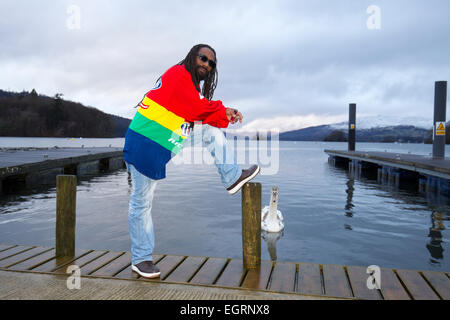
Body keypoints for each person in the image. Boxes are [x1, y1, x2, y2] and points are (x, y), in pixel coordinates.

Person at [123, 44, 260, 278]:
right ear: (192, 56)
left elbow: (199, 113)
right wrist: (223, 110)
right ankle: (141, 259)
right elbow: (196, 108)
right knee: (141, 203)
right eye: (203, 58)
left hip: (167, 137)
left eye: (211, 63)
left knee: (210, 131)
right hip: (145, 143)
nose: (206, 64)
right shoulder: (178, 74)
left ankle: (232, 177)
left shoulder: (191, 86)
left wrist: (223, 114)